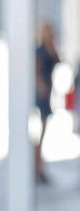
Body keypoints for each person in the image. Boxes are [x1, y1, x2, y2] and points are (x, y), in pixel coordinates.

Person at [35, 23, 61, 183]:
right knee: (39, 133)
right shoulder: (39, 50)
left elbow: (59, 61)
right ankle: (37, 167)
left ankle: (39, 166)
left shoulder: (50, 49)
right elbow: (36, 70)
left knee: (43, 132)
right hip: (41, 95)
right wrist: (41, 87)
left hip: (47, 93)